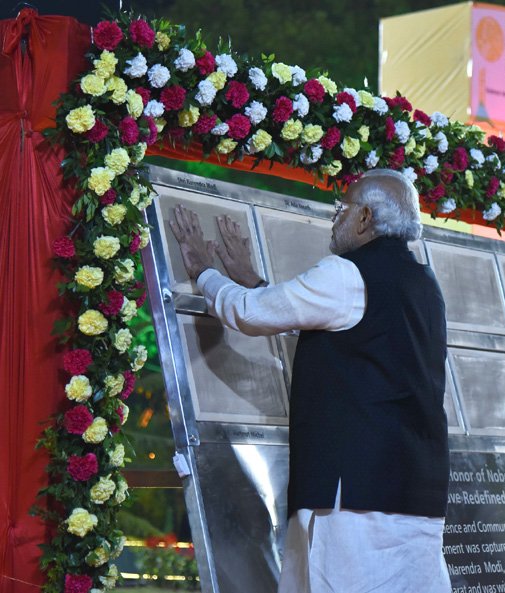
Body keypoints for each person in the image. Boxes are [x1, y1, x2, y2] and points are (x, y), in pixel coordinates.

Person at [169, 169, 451, 593]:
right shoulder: (424, 283)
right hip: (413, 491)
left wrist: (205, 272)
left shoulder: (347, 273)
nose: (333, 220)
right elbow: (342, 330)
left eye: (342, 209)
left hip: (353, 494)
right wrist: (256, 281)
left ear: (364, 219)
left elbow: (251, 313)